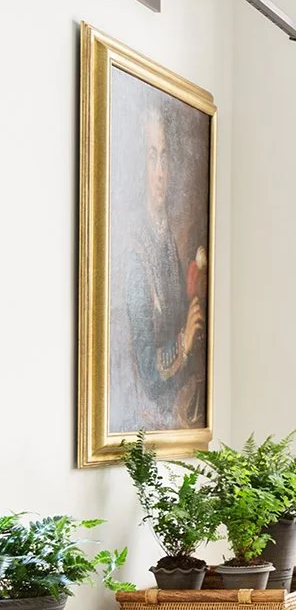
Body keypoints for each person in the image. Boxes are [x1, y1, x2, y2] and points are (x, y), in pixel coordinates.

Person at [121, 102, 205, 428]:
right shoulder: (134, 255)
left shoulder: (167, 237)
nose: (160, 172)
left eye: (165, 157)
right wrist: (183, 344)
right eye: (152, 157)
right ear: (138, 167)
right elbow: (149, 376)